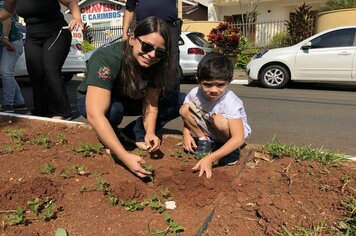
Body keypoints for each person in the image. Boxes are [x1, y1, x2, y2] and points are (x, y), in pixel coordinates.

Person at [77, 16, 185, 178]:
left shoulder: (157, 63)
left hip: (130, 97)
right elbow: (95, 114)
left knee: (179, 100)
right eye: (147, 46)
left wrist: (150, 131)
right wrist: (124, 156)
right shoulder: (107, 58)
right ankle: (111, 137)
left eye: (160, 52)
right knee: (113, 111)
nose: (152, 55)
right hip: (96, 102)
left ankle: (135, 132)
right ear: (133, 39)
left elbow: (151, 104)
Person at [0, 0, 83, 119]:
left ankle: (61, 112)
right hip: (33, 36)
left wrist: (77, 17)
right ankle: (41, 110)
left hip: (57, 32)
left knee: (50, 69)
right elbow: (8, 11)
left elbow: (71, 2)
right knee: (35, 72)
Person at [180, 52, 251, 179]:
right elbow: (186, 114)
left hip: (231, 134)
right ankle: (205, 140)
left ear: (229, 81)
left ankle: (231, 151)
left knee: (220, 121)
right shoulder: (194, 93)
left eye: (220, 85)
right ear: (198, 80)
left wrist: (210, 159)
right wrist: (186, 133)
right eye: (207, 84)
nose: (213, 90)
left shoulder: (231, 101)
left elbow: (239, 138)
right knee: (184, 109)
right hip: (211, 127)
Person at [121, 0, 182, 148]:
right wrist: (124, 33)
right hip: (145, 31)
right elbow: (129, 9)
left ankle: (144, 130)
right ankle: (112, 132)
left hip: (169, 32)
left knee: (169, 89)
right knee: (133, 82)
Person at [0, 0, 25, 113]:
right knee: (7, 73)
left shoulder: (3, 3)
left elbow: (7, 18)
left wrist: (5, 37)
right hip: (5, 43)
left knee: (5, 72)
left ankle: (8, 105)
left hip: (12, 42)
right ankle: (19, 101)